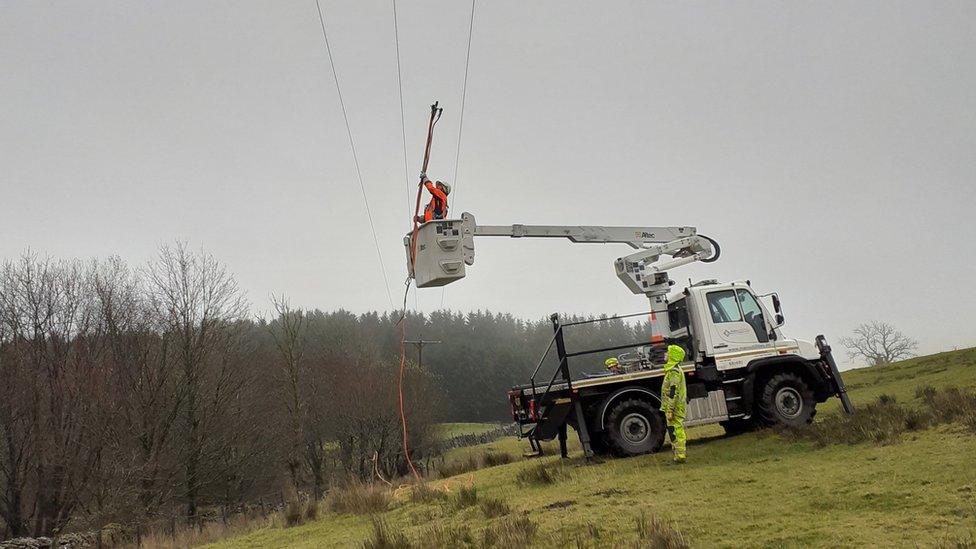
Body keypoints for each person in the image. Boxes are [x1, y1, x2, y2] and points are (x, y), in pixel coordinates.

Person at [660, 344, 687, 463]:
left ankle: (680, 456)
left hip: (675, 408)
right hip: (672, 407)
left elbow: (673, 391)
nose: (665, 354)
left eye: (668, 353)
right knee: (672, 430)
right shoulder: (671, 370)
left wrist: (670, 409)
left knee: (676, 430)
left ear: (673, 356)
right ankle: (677, 455)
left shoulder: (674, 371)